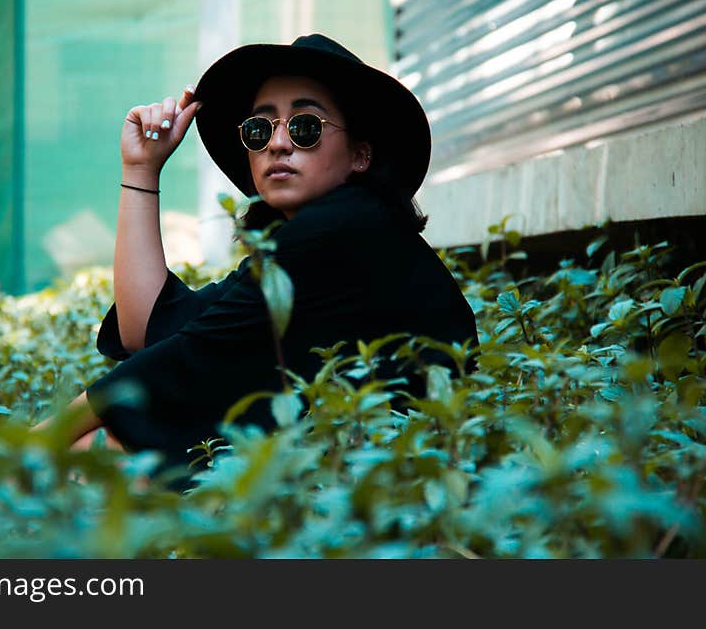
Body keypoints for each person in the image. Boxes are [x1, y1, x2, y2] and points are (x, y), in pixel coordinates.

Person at [34, 34, 479, 484]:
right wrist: (141, 169)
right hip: (351, 460)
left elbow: (188, 354)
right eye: (259, 130)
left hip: (402, 478)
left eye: (306, 127)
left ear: (360, 155)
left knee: (96, 458)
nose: (278, 144)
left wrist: (37, 440)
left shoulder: (350, 226)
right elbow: (148, 329)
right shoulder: (298, 241)